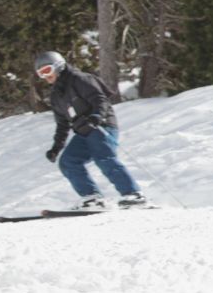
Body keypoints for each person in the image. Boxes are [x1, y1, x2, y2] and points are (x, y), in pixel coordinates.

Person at [36, 51, 147, 209]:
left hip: (101, 126)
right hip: (83, 132)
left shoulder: (80, 79)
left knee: (104, 158)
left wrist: (96, 117)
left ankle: (133, 194)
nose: (45, 76)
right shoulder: (56, 95)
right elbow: (62, 124)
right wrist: (56, 148)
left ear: (58, 66)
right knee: (68, 162)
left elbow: (100, 99)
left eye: (46, 70)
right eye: (40, 73)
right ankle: (92, 198)